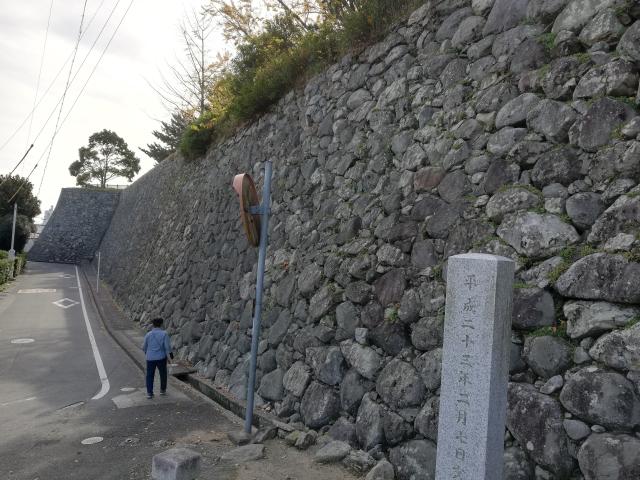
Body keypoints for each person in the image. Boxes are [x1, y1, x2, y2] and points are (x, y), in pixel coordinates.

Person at [142, 318, 173, 399]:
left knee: (149, 375)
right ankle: (162, 390)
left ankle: (149, 393)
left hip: (150, 358)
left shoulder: (148, 334)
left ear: (153, 324)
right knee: (163, 374)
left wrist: (147, 353)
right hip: (161, 357)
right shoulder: (164, 334)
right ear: (161, 324)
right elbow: (167, 347)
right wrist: (170, 355)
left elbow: (144, 347)